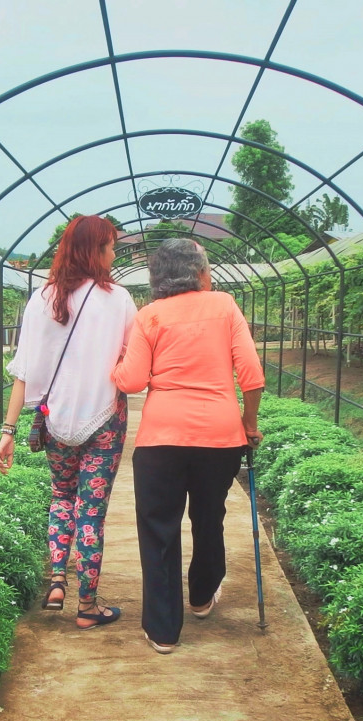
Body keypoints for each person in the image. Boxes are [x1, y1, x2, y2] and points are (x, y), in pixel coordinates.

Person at [111, 238, 264, 654]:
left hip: (161, 439)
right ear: (198, 273)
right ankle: (200, 597)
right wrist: (249, 423)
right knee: (209, 517)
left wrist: (115, 362)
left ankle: (163, 630)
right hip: (219, 436)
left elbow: (131, 381)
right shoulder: (225, 306)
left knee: (158, 529)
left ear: (158, 277)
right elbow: (251, 374)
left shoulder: (149, 316)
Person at [0, 215, 137, 629]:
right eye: (110, 246)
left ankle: (58, 580)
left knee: (61, 497)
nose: (114, 253)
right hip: (104, 418)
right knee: (91, 513)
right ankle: (88, 607)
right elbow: (132, 362)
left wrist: (8, 431)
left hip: (53, 420)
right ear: (95, 250)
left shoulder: (42, 299)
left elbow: (24, 371)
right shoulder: (119, 300)